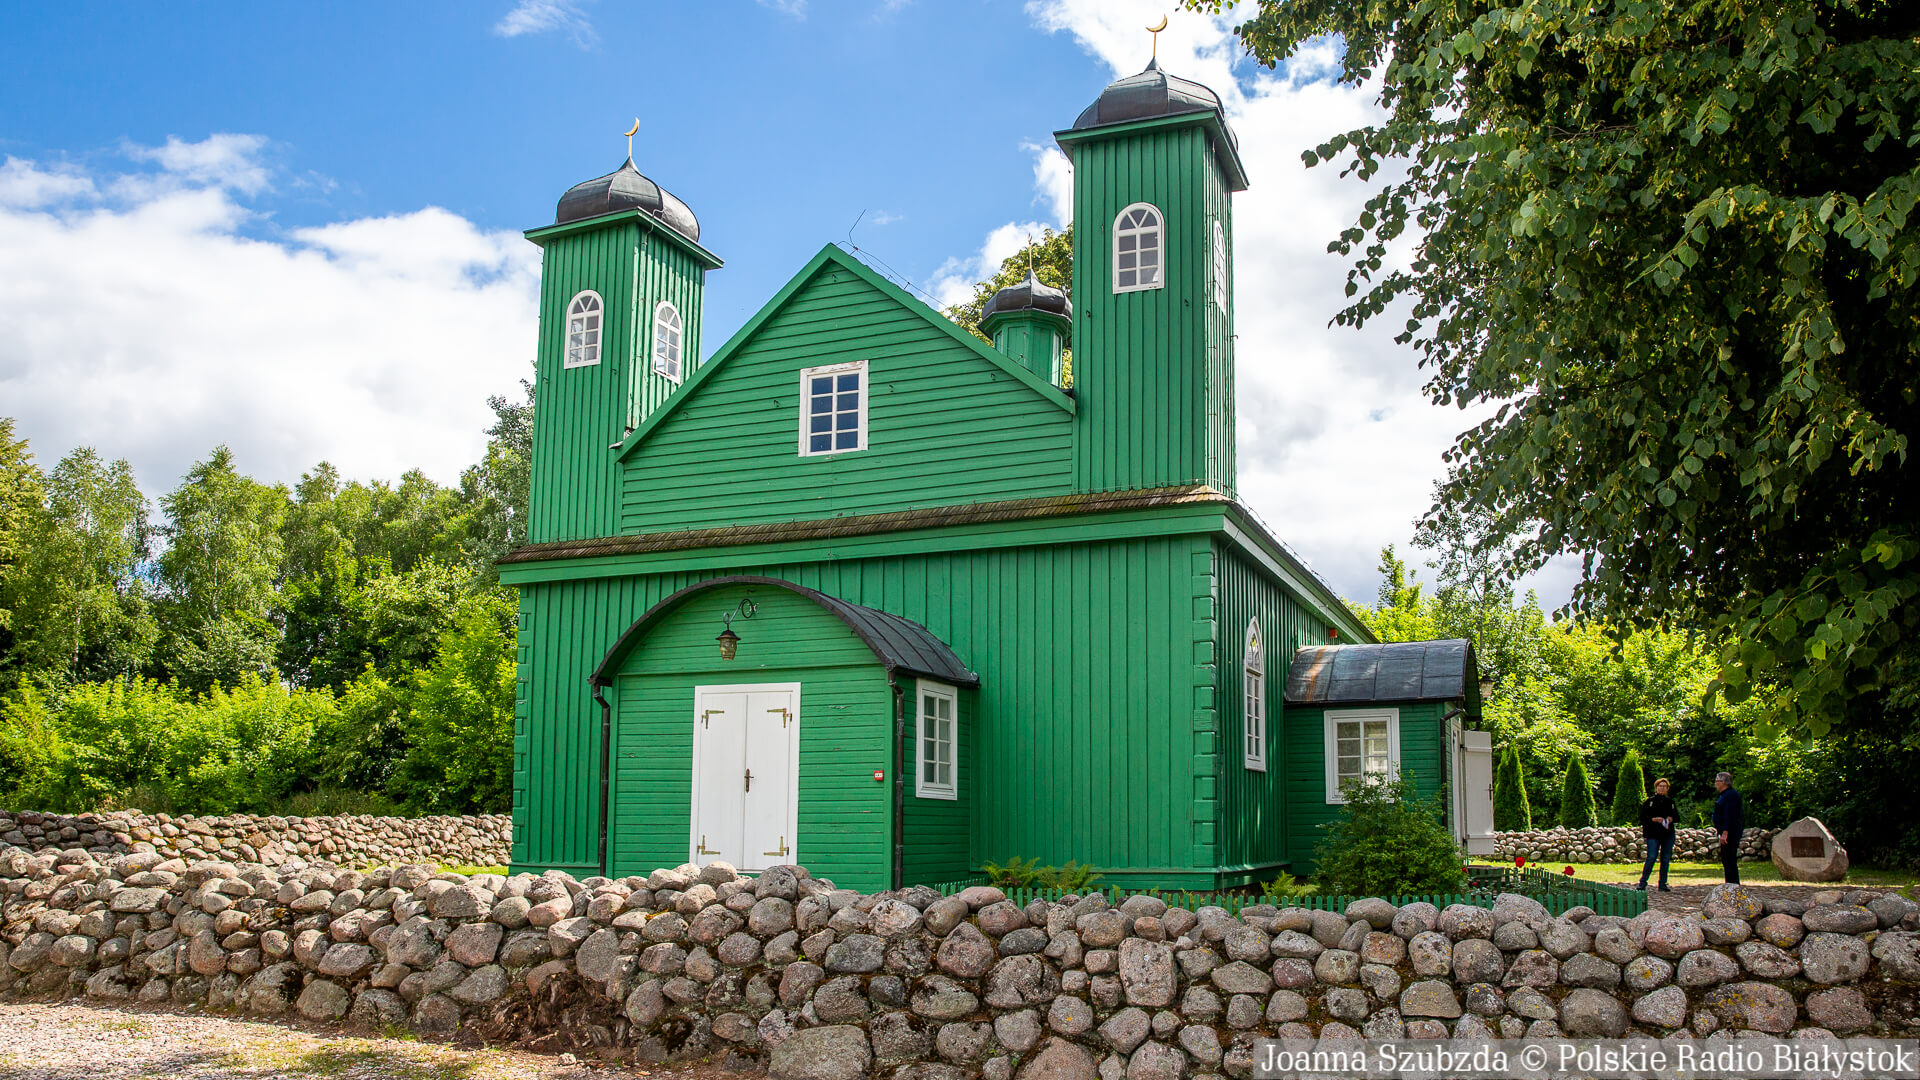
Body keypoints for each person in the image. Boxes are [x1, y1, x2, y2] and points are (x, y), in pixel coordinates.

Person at [1637, 777, 1678, 891]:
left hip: (1667, 834)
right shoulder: (1649, 802)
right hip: (1653, 834)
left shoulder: (1670, 802)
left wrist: (1670, 818)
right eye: (1660, 786)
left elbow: (1676, 816)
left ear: (1667, 788)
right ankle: (1643, 882)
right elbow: (1642, 817)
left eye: (1664, 786)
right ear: (1656, 788)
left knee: (1665, 858)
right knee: (1651, 857)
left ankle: (1663, 883)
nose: (1662, 788)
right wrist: (1654, 819)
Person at [1713, 771, 1745, 884]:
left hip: (1730, 833)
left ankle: (1733, 885)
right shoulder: (1725, 795)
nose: (1715, 783)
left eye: (1718, 780)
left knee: (1729, 859)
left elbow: (1729, 815)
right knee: (1726, 860)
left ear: (1724, 782)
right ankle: (1730, 884)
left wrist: (1725, 832)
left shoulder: (1730, 795)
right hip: (1725, 831)